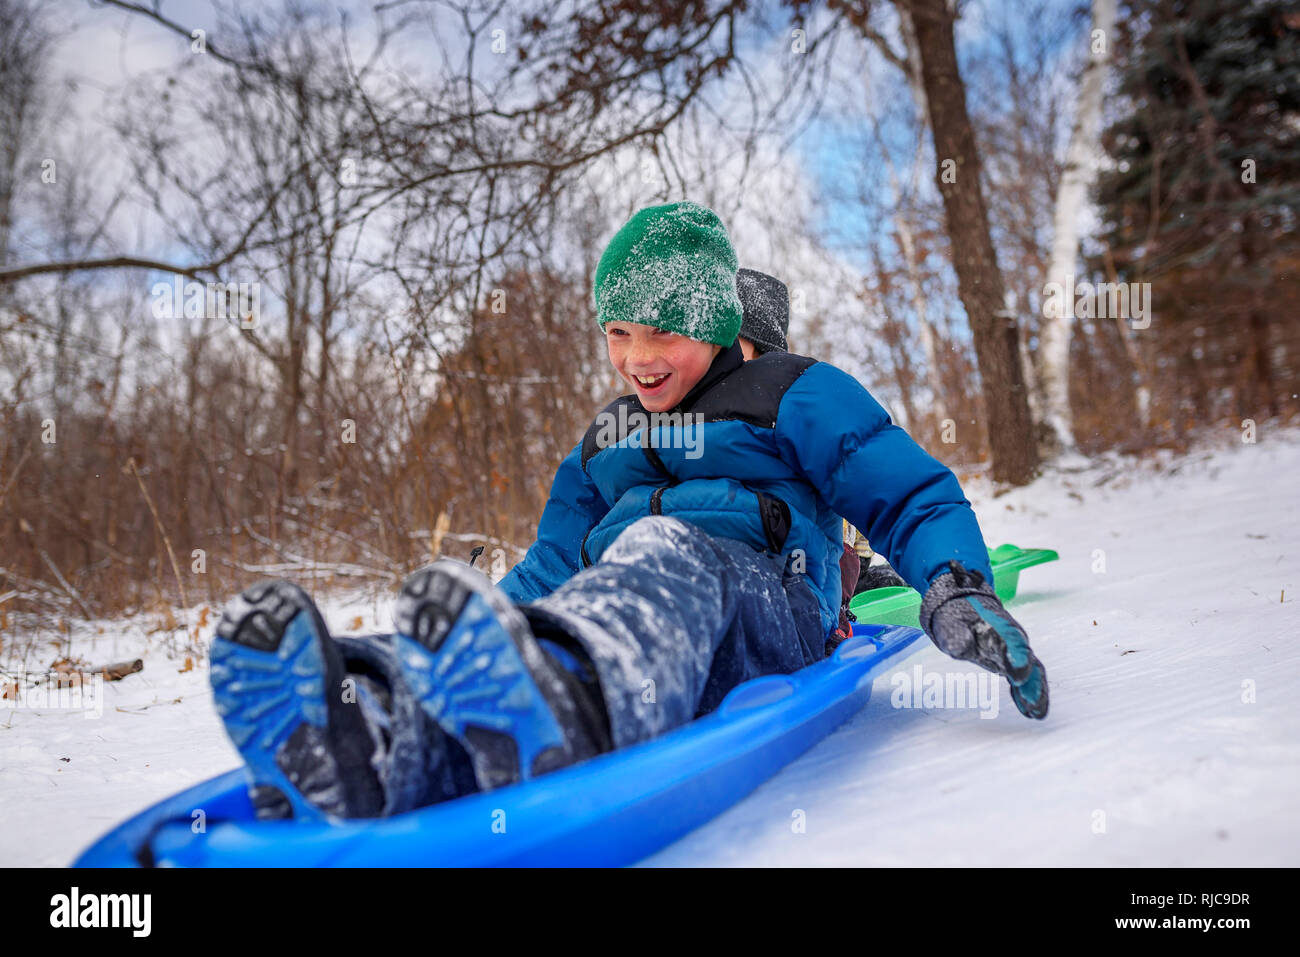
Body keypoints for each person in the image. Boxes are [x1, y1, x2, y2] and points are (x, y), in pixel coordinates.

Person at [209, 201, 1050, 823]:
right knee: (567, 597)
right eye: (617, 331)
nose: (636, 358)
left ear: (725, 329)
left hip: (764, 605)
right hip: (625, 602)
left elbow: (905, 491)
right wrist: (490, 619)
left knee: (663, 550)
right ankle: (363, 727)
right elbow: (551, 564)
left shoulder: (798, 394)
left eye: (662, 334)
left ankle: (569, 713)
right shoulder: (606, 436)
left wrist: (954, 586)